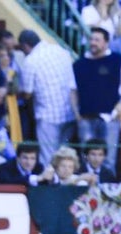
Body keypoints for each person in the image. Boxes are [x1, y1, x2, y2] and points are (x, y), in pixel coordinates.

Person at [18, 30, 77, 169]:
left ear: (25, 46)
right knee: (65, 157)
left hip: (48, 115)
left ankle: (50, 187)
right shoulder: (61, 51)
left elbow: (27, 93)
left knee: (48, 157)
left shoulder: (31, 61)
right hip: (69, 112)